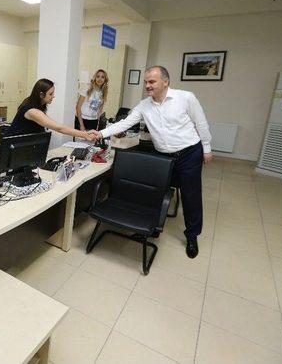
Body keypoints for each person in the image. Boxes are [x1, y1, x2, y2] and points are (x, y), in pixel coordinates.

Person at [90, 66, 212, 258]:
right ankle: (152, 227)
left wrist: (207, 148)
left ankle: (192, 236)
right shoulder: (144, 105)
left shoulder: (185, 98)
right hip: (164, 155)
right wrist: (101, 133)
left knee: (191, 195)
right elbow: (125, 123)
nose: (147, 85)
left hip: (189, 153)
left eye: (152, 82)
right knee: (155, 192)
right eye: (146, 82)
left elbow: (201, 123)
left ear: (165, 81)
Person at [7, 78, 94, 140]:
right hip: (15, 149)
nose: (53, 96)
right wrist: (84, 134)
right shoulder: (32, 111)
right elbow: (59, 128)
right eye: (50, 94)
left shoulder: (35, 104)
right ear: (41, 95)